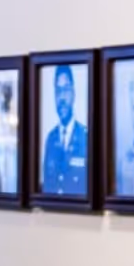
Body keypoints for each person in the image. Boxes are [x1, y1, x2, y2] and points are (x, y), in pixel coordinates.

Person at [40, 66, 89, 196]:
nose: (61, 97)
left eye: (66, 90)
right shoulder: (50, 139)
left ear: (73, 93)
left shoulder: (86, 138)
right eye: (58, 91)